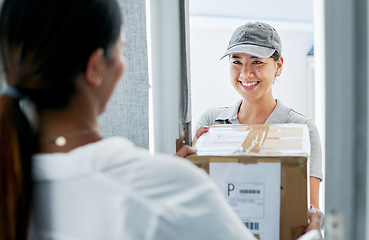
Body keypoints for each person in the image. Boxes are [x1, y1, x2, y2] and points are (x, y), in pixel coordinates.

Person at [0, 1, 322, 239]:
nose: (246, 72)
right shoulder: (163, 186)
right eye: (122, 50)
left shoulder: (11, 175)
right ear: (96, 66)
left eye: (257, 62)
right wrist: (313, 234)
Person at [192, 21, 323, 209]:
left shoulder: (301, 129)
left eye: (257, 62)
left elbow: (310, 210)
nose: (246, 73)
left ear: (278, 66)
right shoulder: (211, 123)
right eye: (237, 62)